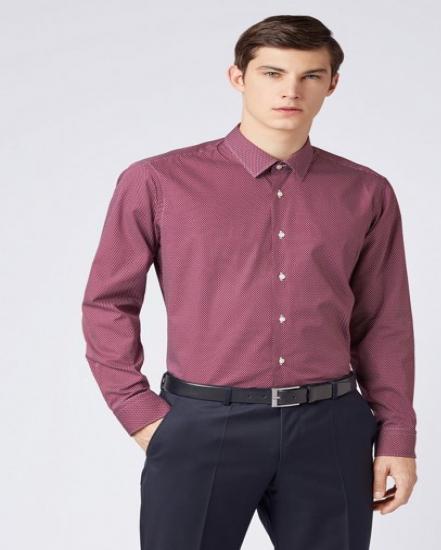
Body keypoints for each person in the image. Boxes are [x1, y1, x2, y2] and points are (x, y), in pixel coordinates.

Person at [81, 14, 418, 550]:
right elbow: (108, 304)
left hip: (330, 430)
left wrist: (397, 432)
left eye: (310, 75)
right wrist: (140, 414)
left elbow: (383, 320)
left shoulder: (366, 192)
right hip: (202, 425)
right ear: (238, 77)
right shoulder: (157, 181)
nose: (291, 90)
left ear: (332, 84)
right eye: (272, 73)